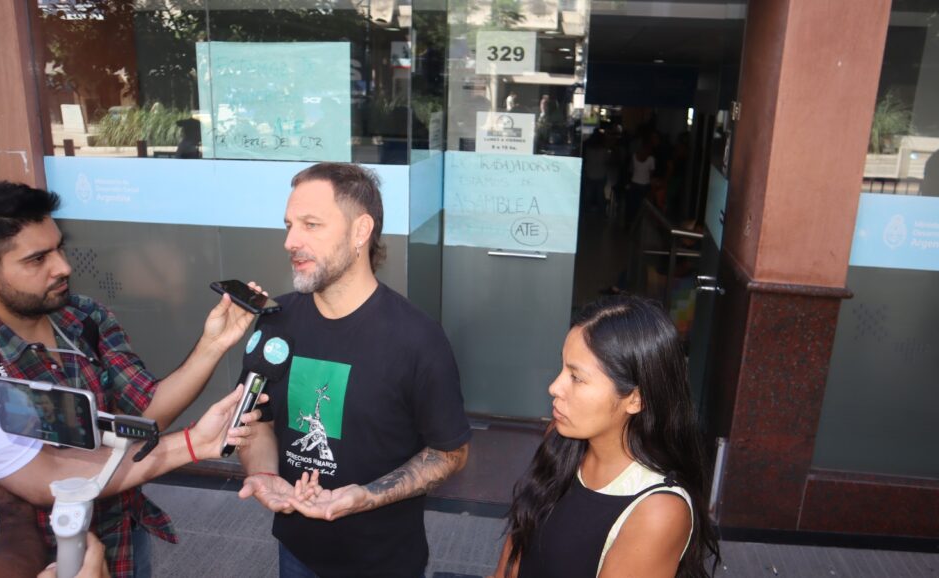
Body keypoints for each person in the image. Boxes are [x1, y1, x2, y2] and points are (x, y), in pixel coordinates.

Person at [0, 181, 258, 578]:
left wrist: (212, 345)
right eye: (37, 259)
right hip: (42, 557)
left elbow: (145, 416)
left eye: (59, 248)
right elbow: (42, 474)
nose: (63, 267)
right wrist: (190, 444)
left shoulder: (84, 317)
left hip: (122, 532)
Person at [237, 162, 471, 578]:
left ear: (360, 231)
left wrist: (366, 496)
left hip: (384, 561)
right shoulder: (277, 321)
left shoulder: (417, 339)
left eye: (311, 225)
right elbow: (257, 423)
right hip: (296, 550)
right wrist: (265, 474)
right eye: (289, 225)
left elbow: (450, 452)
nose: (291, 241)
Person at [491, 295, 719, 578]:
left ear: (635, 399)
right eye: (563, 368)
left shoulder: (658, 510)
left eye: (576, 377)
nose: (554, 387)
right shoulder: (561, 441)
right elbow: (515, 552)